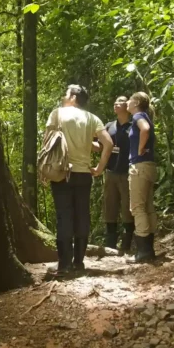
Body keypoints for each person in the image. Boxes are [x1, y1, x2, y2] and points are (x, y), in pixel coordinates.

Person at [45, 85, 113, 275]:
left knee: (64, 216)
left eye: (66, 93)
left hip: (62, 172)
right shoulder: (92, 118)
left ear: (73, 97)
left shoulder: (58, 114)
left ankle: (64, 265)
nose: (63, 96)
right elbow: (107, 143)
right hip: (84, 173)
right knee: (82, 215)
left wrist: (44, 169)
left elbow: (48, 141)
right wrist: (99, 167)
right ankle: (79, 262)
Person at [98, 96, 134, 253]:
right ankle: (110, 244)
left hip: (127, 173)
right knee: (110, 207)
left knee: (127, 208)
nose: (116, 103)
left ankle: (127, 243)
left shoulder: (133, 127)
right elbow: (100, 146)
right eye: (115, 101)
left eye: (120, 101)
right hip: (111, 173)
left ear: (127, 106)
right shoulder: (109, 126)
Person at [126, 91, 157, 263]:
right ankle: (148, 249)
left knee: (137, 208)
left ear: (136, 102)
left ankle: (143, 251)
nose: (128, 102)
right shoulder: (144, 115)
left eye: (130, 99)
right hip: (149, 166)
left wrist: (139, 149)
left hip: (140, 167)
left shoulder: (138, 116)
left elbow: (145, 129)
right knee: (147, 206)